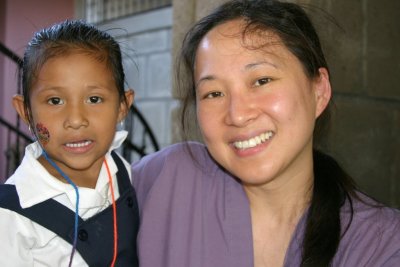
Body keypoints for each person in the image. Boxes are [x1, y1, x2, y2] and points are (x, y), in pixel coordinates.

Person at [132, 0, 400, 266]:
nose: (237, 114)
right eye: (214, 93)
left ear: (319, 91)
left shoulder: (381, 245)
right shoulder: (167, 181)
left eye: (262, 81)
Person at [0, 20, 139, 266]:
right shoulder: (10, 215)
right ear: (26, 112)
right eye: (55, 101)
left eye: (94, 99)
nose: (75, 120)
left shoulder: (121, 170)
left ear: (122, 107)